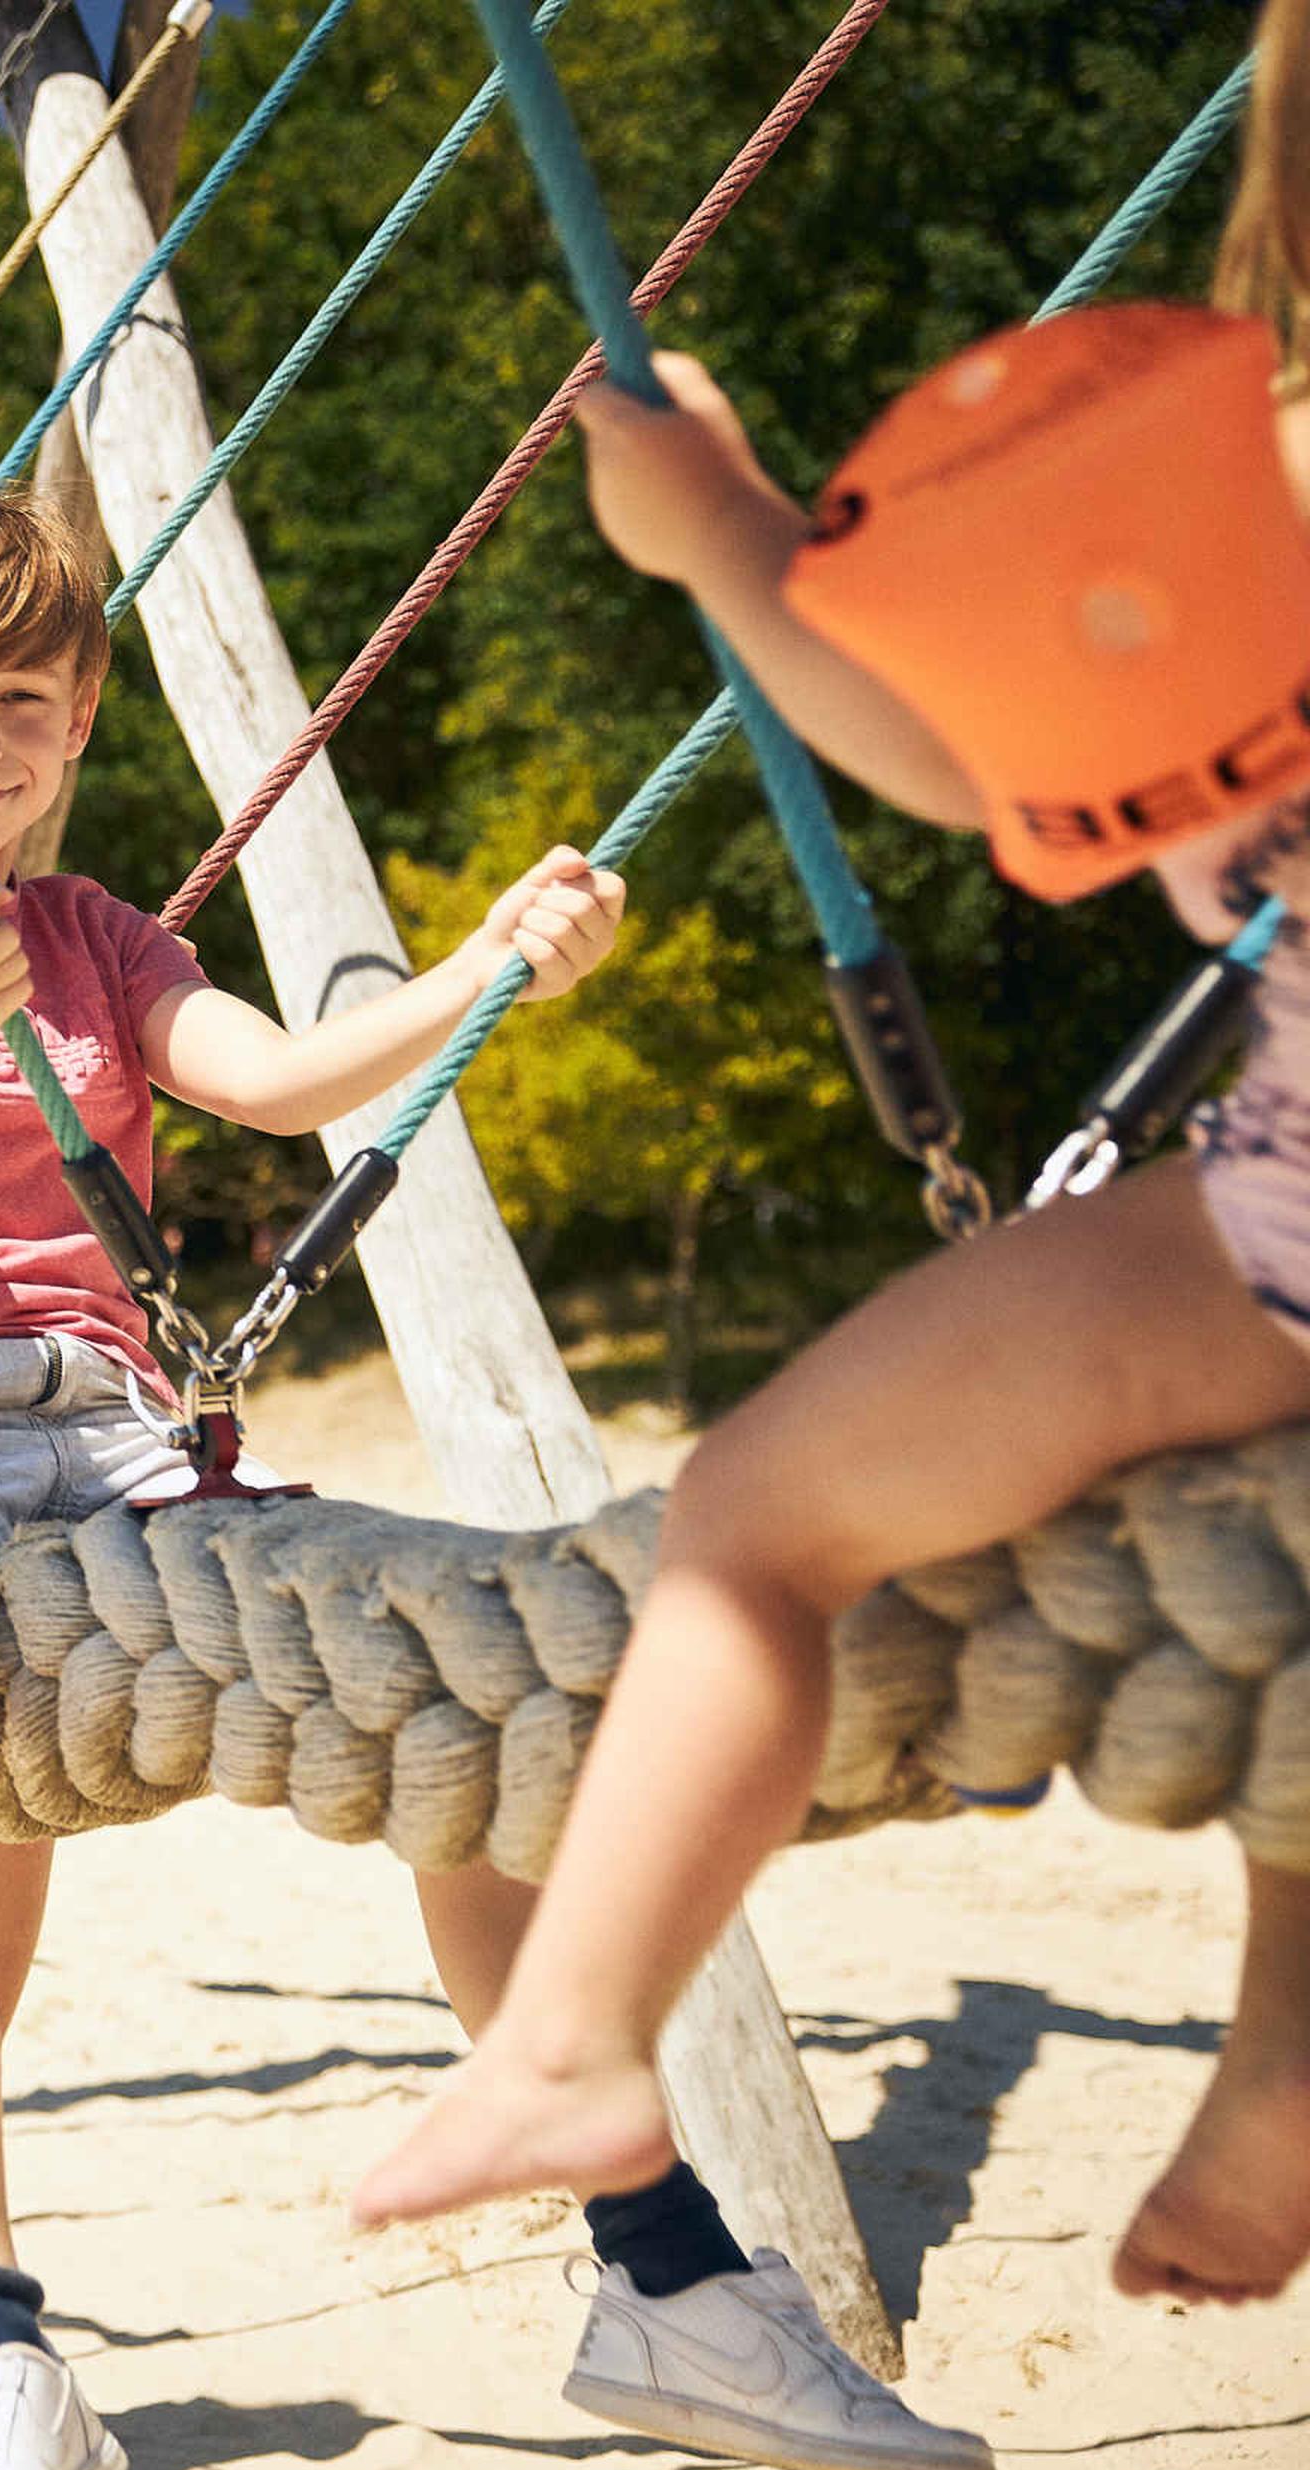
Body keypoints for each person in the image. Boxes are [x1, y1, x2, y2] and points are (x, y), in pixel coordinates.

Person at [0, 484, 992, 2470]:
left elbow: (288, 1078)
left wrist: (490, 967)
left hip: (116, 1418)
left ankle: (668, 2277)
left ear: (83, 715)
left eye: (19, 700)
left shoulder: (99, 939)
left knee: (441, 1706)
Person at [358, 45, 1310, 2324]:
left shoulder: (1262, 476)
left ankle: (578, 2031)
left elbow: (990, 744)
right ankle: (1279, 2063)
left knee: (758, 1512)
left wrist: (721, 533)